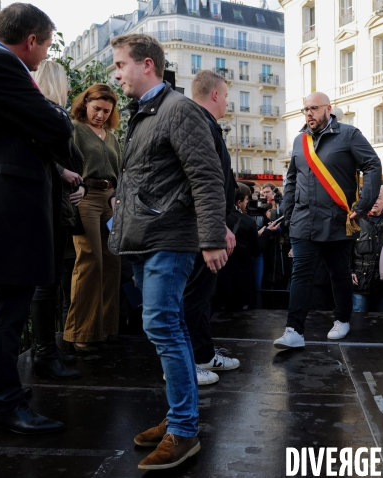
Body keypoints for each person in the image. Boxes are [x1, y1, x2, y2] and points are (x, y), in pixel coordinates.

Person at [108, 34, 227, 470]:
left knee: (162, 325)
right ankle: (179, 415)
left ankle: (183, 430)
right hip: (145, 237)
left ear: (147, 65)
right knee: (167, 326)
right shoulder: (145, 114)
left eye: (121, 65)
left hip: (168, 238)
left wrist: (212, 237)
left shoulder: (179, 110)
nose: (116, 74)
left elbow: (206, 175)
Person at [0, 3, 72, 433]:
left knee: (0, 306)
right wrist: (54, 114)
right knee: (7, 309)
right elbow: (58, 127)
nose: (43, 58)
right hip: (8, 203)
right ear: (30, 41)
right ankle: (5, 404)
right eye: (43, 48)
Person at [273, 92, 382, 349]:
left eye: (313, 108)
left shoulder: (349, 134)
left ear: (328, 109)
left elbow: (373, 165)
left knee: (339, 273)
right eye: (305, 109)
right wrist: (288, 213)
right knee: (300, 274)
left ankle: (342, 319)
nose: (308, 113)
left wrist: (363, 204)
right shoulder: (300, 141)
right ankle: (294, 330)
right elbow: (291, 178)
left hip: (337, 220)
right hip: (302, 220)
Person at [29, 59, 85, 379]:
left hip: (58, 203)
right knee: (47, 282)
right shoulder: (50, 115)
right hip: (50, 204)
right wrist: (70, 178)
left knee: (52, 281)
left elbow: (71, 163)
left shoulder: (49, 115)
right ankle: (45, 352)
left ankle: (49, 350)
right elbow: (58, 160)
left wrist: (79, 186)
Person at [183, 70, 238, 386]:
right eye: (227, 95)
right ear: (215, 94)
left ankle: (202, 355)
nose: (228, 101)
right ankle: (187, 363)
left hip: (207, 227)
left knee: (203, 296)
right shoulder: (200, 126)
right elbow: (202, 182)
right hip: (201, 229)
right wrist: (218, 226)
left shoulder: (205, 126)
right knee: (193, 296)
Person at [63, 84, 122, 352]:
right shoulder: (74, 128)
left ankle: (106, 328)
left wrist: (116, 194)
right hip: (85, 197)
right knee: (91, 261)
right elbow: (64, 162)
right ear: (85, 103)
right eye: (97, 108)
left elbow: (119, 172)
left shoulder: (111, 137)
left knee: (113, 262)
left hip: (109, 199)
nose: (101, 115)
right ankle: (81, 333)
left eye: (106, 111)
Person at [215, 183, 279, 311]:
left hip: (218, 278)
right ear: (239, 202)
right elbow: (256, 250)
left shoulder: (217, 219)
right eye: (246, 199)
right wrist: (267, 233)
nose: (248, 203)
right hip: (241, 278)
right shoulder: (248, 221)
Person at [351, 189, 383, 314]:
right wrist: (349, 270)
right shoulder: (356, 221)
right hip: (360, 283)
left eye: (378, 198)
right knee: (358, 323)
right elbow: (346, 250)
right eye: (371, 198)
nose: (374, 201)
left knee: (381, 324)